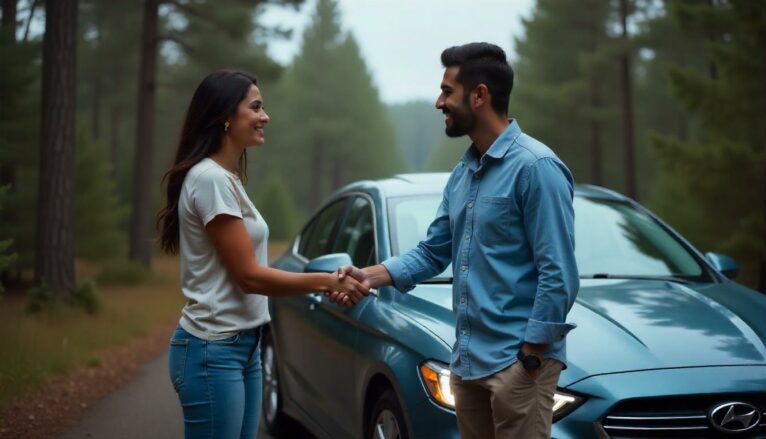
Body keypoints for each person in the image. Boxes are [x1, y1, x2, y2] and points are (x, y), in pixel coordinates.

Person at [333, 43, 579, 439]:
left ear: (479, 95)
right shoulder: (463, 173)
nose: (438, 102)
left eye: (447, 91)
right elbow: (433, 251)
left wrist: (530, 356)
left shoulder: (537, 168)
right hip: (466, 364)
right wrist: (367, 276)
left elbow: (559, 272)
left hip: (517, 367)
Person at [156, 70, 369, 439]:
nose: (265, 116)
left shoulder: (227, 178)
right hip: (213, 350)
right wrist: (325, 281)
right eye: (255, 107)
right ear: (225, 116)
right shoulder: (210, 179)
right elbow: (250, 276)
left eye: (263, 107)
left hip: (243, 345)